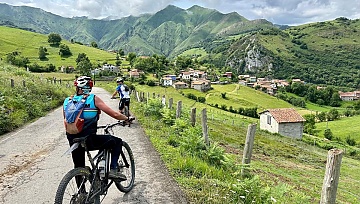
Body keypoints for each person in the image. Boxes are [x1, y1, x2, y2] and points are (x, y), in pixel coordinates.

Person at [63, 76, 131, 180]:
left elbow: (67, 120)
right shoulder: (92, 99)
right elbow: (115, 115)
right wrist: (126, 118)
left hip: (73, 140)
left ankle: (81, 193)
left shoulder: (67, 101)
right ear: (89, 87)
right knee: (117, 142)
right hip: (89, 139)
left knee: (78, 167)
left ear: (77, 87)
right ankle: (113, 169)